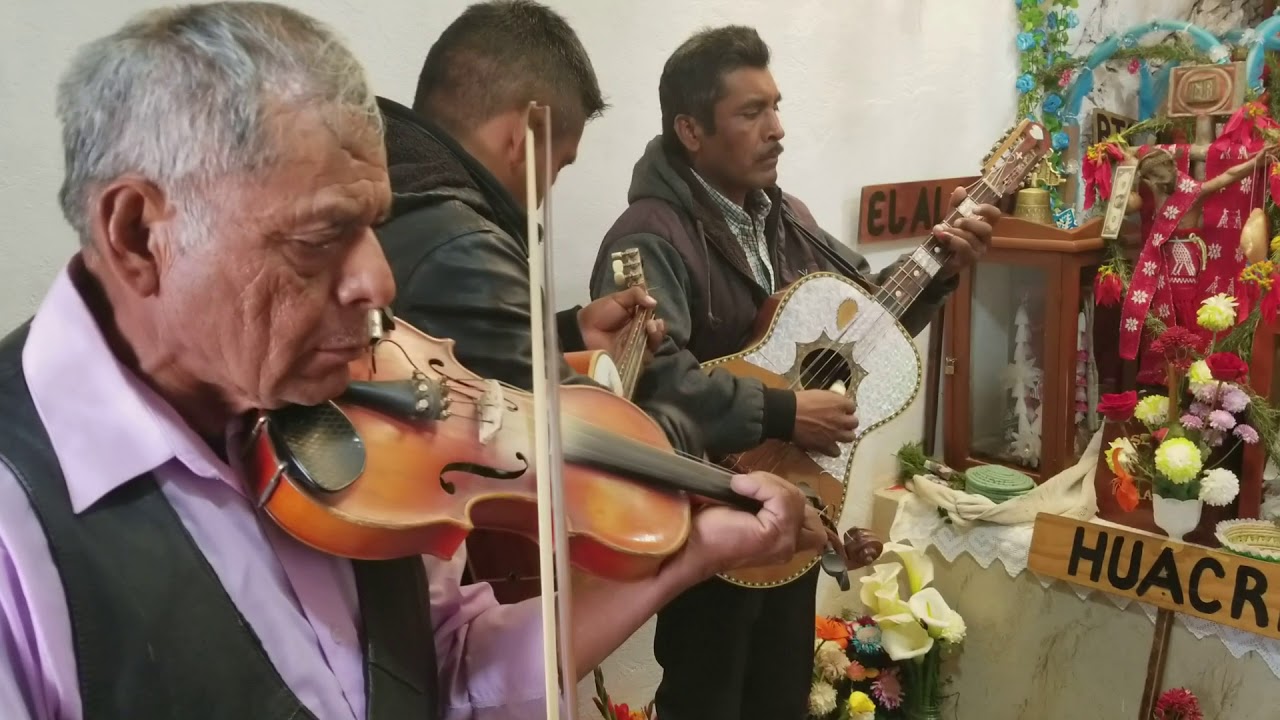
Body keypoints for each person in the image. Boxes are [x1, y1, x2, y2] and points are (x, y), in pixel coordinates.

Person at [0, 6, 829, 720]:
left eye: (375, 225)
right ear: (139, 234)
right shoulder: (16, 530)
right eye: (322, 236)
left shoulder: (342, 401)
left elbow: (447, 666)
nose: (380, 281)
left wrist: (694, 552)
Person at [592, 26, 999, 720]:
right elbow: (650, 384)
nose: (777, 129)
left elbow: (869, 324)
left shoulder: (791, 221)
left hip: (791, 517)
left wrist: (937, 277)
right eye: (751, 113)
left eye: (776, 107)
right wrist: (783, 414)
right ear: (691, 129)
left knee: (780, 700)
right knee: (706, 703)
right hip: (703, 529)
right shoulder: (647, 237)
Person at [372, 0, 715, 599]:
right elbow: (583, 446)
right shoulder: (463, 248)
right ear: (524, 135)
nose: (547, 189)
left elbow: (455, 357)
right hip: (414, 593)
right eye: (558, 163)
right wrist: (679, 432)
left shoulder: (396, 187)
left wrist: (568, 333)